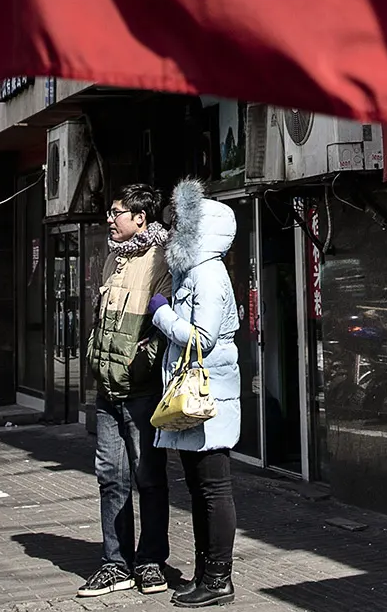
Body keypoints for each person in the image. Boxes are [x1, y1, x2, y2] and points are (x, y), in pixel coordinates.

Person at [80, 183, 177, 598]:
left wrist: (143, 363)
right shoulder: (112, 260)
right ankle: (115, 563)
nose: (109, 218)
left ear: (141, 219)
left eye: (117, 212)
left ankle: (152, 560)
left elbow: (166, 322)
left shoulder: (161, 260)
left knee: (148, 477)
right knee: (110, 479)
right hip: (107, 389)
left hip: (141, 390)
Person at [149, 179, 242, 607]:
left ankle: (218, 579)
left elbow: (201, 338)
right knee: (200, 488)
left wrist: (162, 313)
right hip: (198, 397)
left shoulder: (206, 274)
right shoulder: (197, 270)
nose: (175, 230)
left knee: (212, 489)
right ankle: (207, 574)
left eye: (184, 224)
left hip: (208, 399)